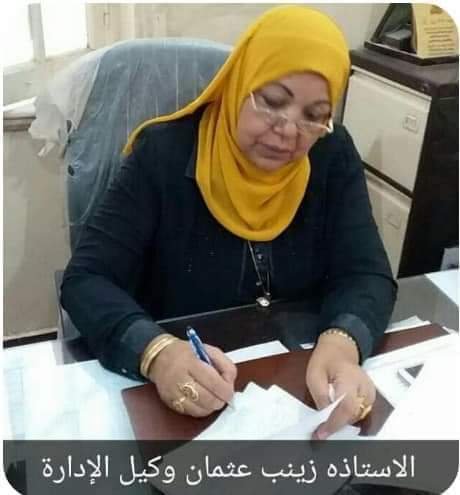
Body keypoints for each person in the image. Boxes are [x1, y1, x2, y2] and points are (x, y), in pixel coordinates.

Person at [61, 6, 397, 439]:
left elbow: (366, 272)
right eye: (271, 102)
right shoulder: (162, 154)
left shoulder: (331, 154)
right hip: (185, 396)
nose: (288, 131)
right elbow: (87, 279)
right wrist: (156, 352)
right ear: (239, 83)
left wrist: (342, 342)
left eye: (314, 115)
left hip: (297, 387)